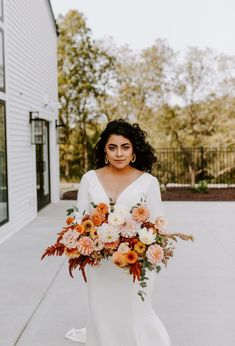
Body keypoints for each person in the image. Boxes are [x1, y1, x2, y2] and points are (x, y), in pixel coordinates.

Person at [65, 119, 171, 346]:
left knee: (136, 313)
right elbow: (79, 219)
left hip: (135, 262)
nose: (119, 153)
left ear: (134, 151)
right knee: (102, 312)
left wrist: (145, 247)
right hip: (99, 263)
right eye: (112, 147)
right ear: (105, 150)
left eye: (125, 147)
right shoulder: (89, 179)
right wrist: (84, 242)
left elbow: (158, 224)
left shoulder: (148, 182)